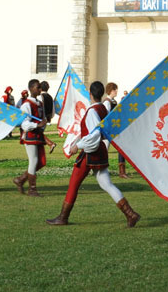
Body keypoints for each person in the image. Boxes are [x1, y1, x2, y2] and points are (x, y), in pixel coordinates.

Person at [46, 81, 140, 227]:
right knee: (106, 184)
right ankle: (130, 214)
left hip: (91, 153)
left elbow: (94, 135)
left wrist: (78, 145)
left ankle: (63, 217)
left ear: (90, 93)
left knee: (73, 184)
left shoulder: (92, 111)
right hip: (99, 151)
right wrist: (78, 139)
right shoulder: (102, 108)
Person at [12, 79, 47, 196]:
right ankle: (32, 189)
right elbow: (24, 123)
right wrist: (37, 125)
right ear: (31, 89)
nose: (40, 89)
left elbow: (42, 118)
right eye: (38, 87)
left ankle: (21, 179)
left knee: (41, 162)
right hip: (30, 136)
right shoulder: (26, 105)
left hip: (38, 135)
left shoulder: (40, 104)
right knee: (34, 160)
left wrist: (44, 123)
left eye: (40, 87)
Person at [105, 82, 131, 178]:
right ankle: (101, 170)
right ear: (111, 90)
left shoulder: (113, 102)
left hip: (114, 130)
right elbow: (106, 116)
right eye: (115, 89)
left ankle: (122, 171)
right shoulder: (107, 102)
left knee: (121, 148)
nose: (116, 91)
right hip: (109, 130)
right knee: (104, 150)